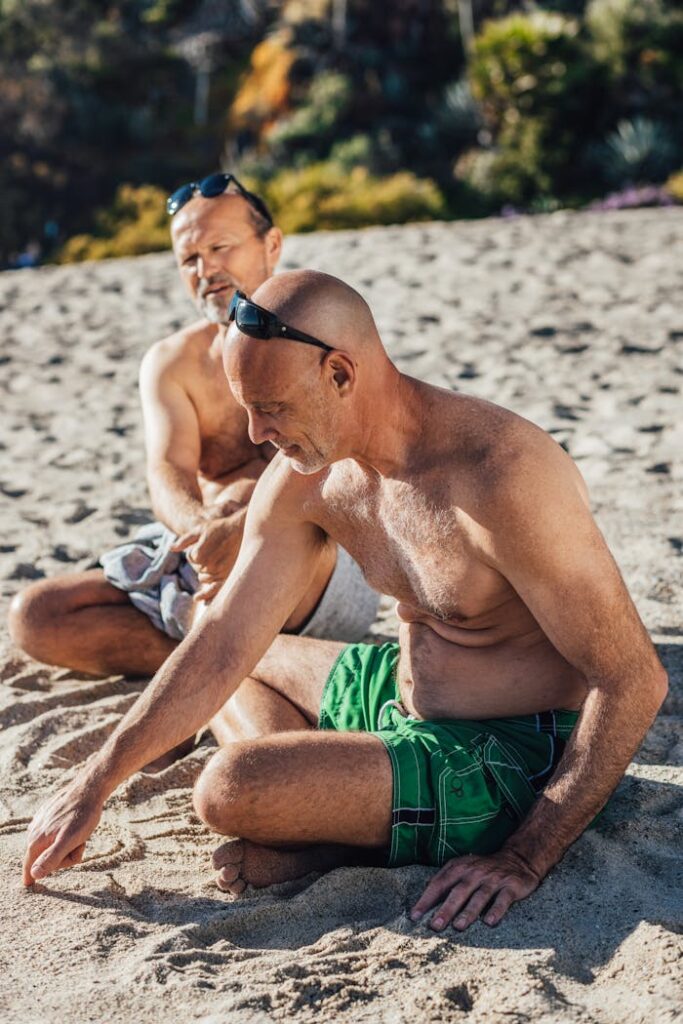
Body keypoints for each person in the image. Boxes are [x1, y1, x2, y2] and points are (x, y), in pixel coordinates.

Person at [23, 271, 668, 933]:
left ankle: (333, 827)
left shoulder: (500, 475)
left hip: (507, 754)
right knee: (240, 660)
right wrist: (96, 782)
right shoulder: (313, 475)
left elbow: (631, 680)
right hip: (395, 691)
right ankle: (332, 818)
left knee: (228, 787)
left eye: (271, 405)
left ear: (339, 372)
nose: (254, 433)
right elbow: (221, 642)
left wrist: (525, 857)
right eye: (247, 407)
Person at [8, 176, 379, 679]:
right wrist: (203, 535)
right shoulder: (172, 362)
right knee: (37, 616)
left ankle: (223, 659)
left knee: (261, 559)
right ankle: (243, 663)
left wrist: (246, 532)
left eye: (220, 247)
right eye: (190, 259)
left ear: (272, 244)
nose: (206, 270)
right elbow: (168, 470)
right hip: (202, 559)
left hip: (318, 556)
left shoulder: (329, 335)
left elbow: (358, 468)